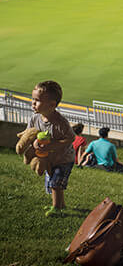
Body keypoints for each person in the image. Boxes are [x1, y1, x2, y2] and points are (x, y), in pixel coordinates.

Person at [26, 80, 75, 217]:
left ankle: (56, 208)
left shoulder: (60, 122)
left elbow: (71, 138)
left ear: (52, 105)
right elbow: (29, 135)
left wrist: (54, 145)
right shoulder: (34, 119)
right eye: (33, 99)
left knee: (56, 183)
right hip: (49, 159)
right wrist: (35, 143)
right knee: (50, 182)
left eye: (37, 100)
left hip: (64, 159)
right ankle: (61, 205)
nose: (33, 103)